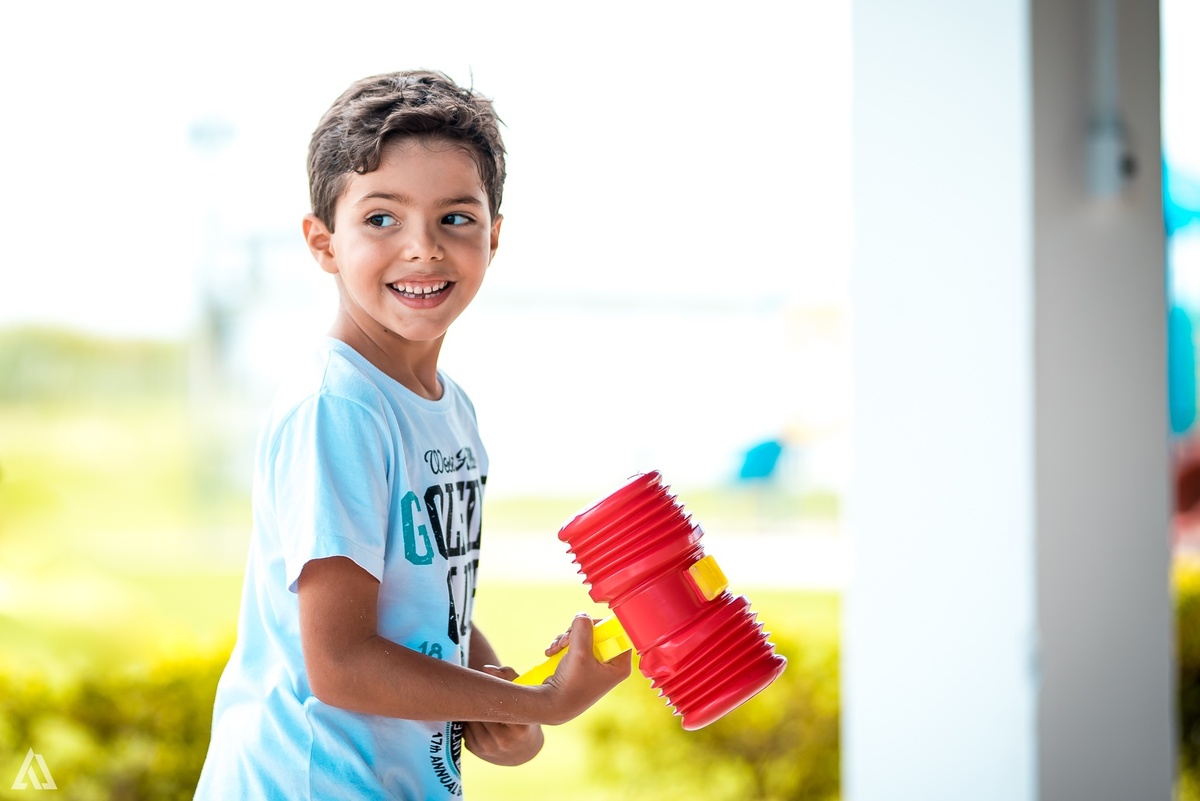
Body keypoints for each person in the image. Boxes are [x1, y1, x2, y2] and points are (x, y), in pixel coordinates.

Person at [194, 70, 631, 800]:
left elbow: (426, 601)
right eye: (381, 219)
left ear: (494, 237)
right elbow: (340, 662)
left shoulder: (448, 407)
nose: (423, 248)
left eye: (455, 218)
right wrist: (543, 703)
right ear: (323, 242)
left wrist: (498, 698)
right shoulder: (339, 407)